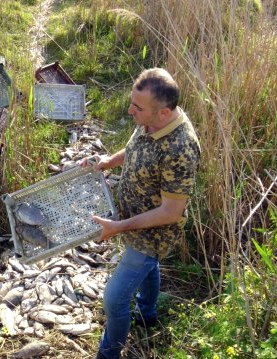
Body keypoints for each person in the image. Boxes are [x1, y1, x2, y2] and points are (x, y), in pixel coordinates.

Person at [80, 68, 201, 359]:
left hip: (152, 236)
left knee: (114, 300)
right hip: (130, 220)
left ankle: (108, 354)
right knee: (150, 270)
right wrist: (109, 161)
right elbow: (134, 147)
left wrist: (118, 227)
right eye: (132, 102)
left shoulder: (181, 148)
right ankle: (147, 313)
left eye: (137, 107)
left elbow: (171, 212)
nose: (130, 110)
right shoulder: (148, 119)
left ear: (163, 113)